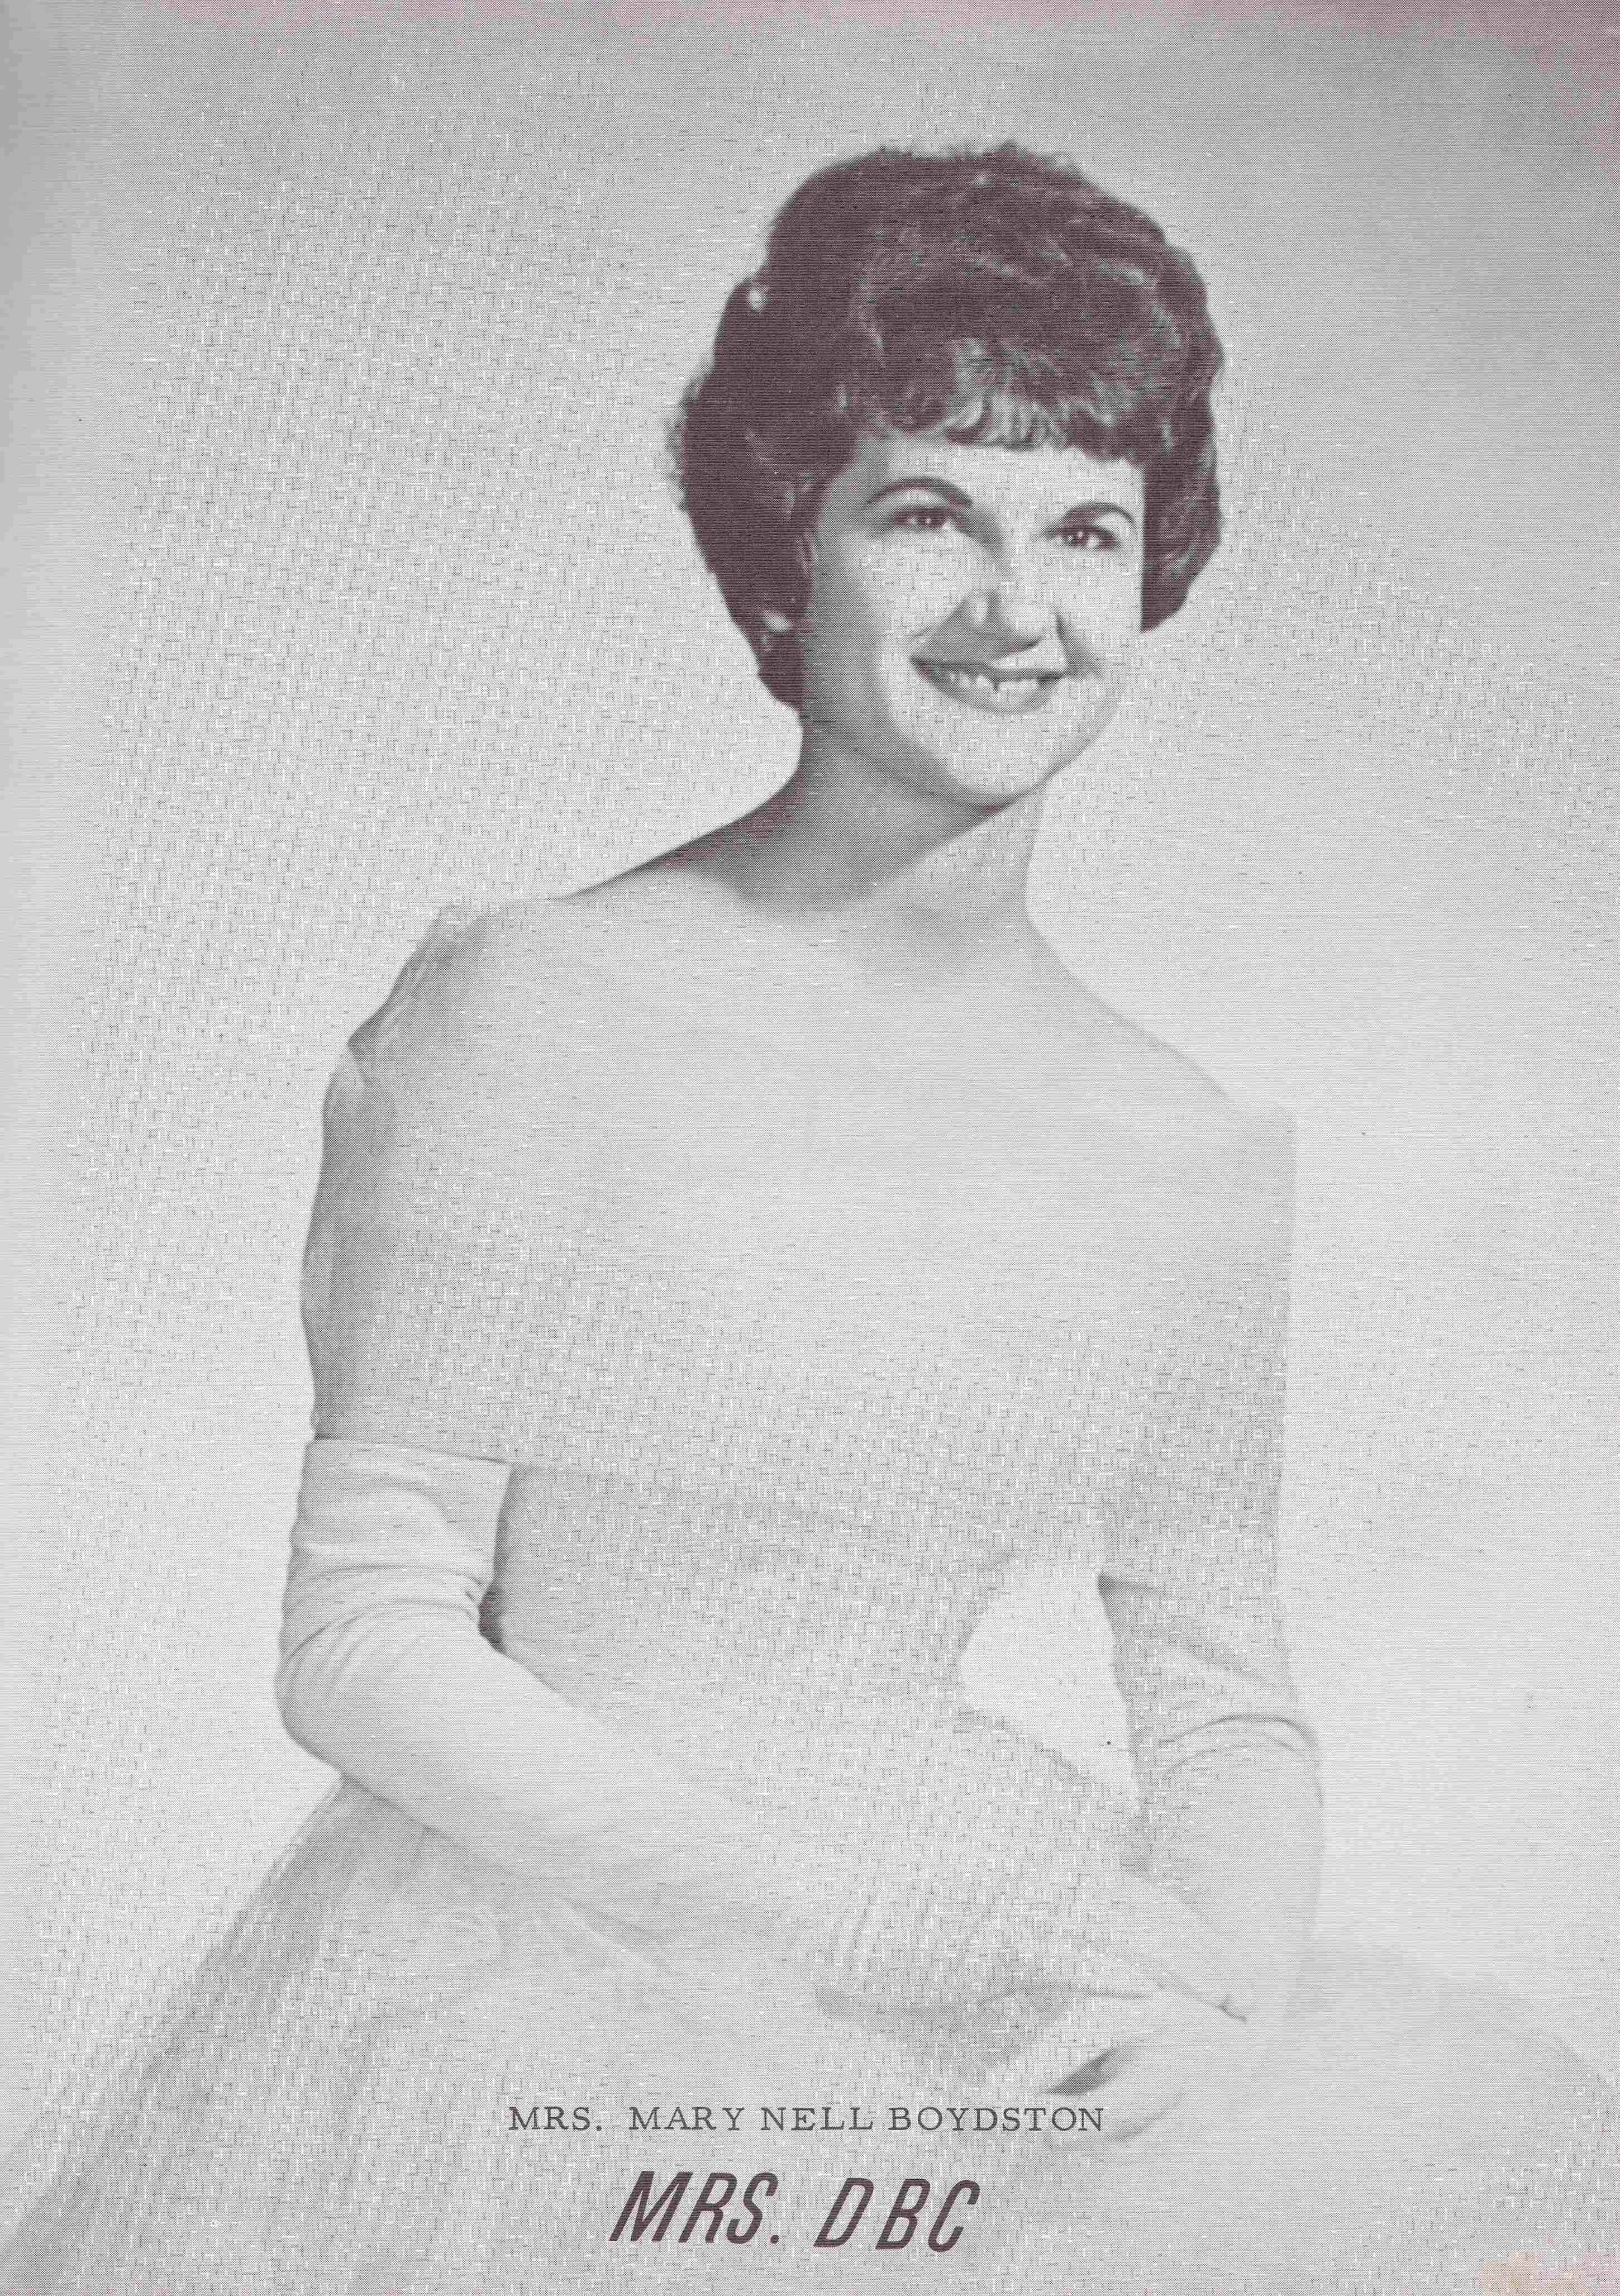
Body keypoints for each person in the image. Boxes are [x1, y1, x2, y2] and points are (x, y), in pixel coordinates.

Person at [3, 141, 1614, 2296]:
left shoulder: (1183, 1141)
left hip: (1002, 1949)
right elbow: (363, 1640)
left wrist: (1219, 2001)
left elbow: (1217, 1691)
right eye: (928, 511)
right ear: (786, 552)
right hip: (539, 1980)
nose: (1014, 610)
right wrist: (882, 1931)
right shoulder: (538, 1000)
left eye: (1084, 531)